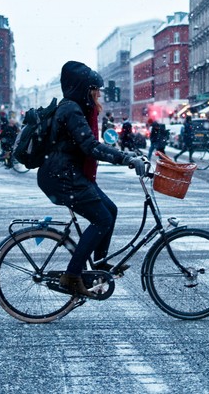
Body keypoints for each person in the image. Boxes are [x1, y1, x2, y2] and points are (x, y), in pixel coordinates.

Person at [37, 61, 145, 297]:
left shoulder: (74, 108)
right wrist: (125, 158)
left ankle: (99, 264)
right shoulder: (71, 110)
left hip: (67, 173)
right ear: (84, 89)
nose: (98, 94)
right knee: (102, 220)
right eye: (95, 89)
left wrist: (128, 156)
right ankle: (72, 276)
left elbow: (88, 145)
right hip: (62, 177)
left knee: (110, 210)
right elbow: (90, 146)